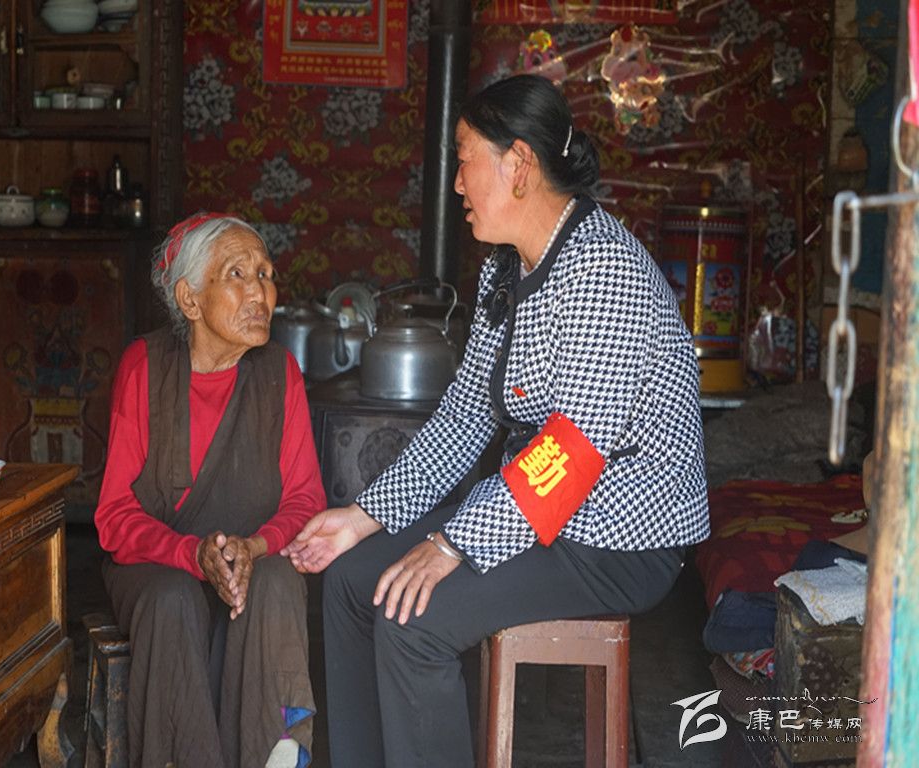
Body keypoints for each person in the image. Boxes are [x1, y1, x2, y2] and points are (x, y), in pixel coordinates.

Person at [282, 74, 711, 767]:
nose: (456, 183)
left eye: (463, 160)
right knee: (354, 579)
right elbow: (463, 419)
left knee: (413, 620)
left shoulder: (605, 272)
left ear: (518, 164)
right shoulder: (504, 271)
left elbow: (571, 453)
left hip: (618, 538)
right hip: (544, 518)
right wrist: (362, 518)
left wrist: (453, 544)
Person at [95, 213, 326, 768]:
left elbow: (305, 501)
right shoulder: (145, 367)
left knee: (276, 583)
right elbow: (114, 515)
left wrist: (253, 548)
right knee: (172, 600)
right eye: (238, 275)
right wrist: (191, 554)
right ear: (190, 300)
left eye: (266, 274)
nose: (260, 293)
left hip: (249, 558)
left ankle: (276, 758)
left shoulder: (280, 373)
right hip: (158, 565)